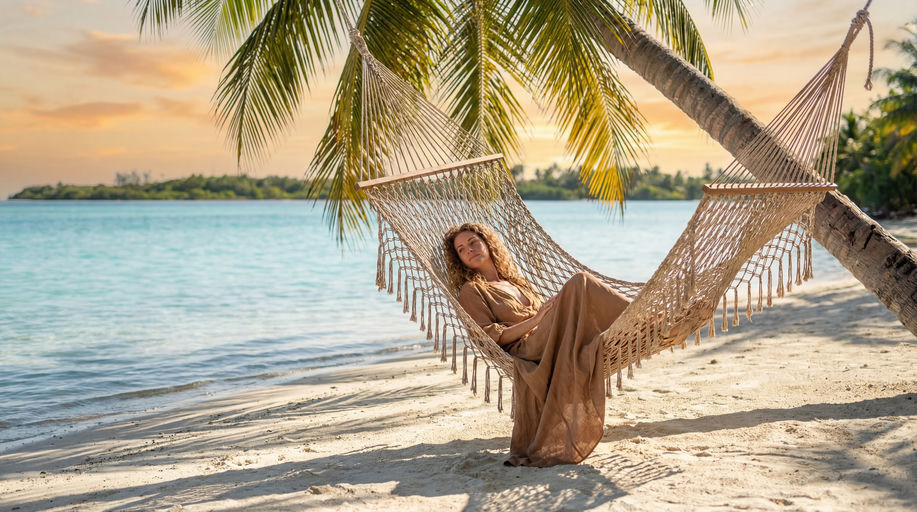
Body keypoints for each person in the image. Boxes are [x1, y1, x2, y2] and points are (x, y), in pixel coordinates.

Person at [443, 222, 632, 467]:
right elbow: (492, 337)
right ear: (460, 260)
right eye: (461, 249)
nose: (469, 249)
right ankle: (646, 316)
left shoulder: (515, 282)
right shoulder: (472, 291)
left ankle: (635, 324)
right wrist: (538, 318)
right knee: (580, 282)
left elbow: (546, 314)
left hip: (545, 339)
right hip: (527, 349)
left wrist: (544, 317)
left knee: (583, 298)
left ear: (487, 243)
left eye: (472, 242)